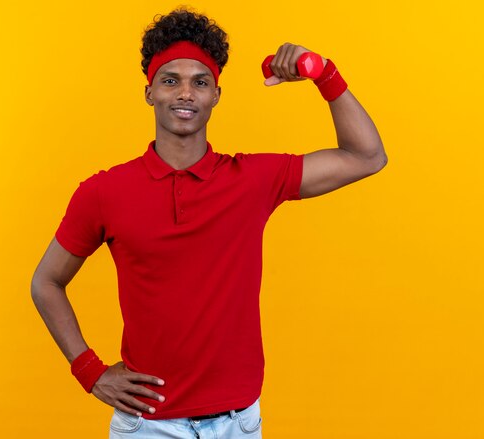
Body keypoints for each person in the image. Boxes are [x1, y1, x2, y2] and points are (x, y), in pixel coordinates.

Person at [31, 7, 386, 439]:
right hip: (148, 427)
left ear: (216, 95)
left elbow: (366, 156)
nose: (185, 93)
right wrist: (89, 371)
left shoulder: (252, 179)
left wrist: (324, 74)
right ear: (149, 93)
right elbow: (46, 281)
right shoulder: (103, 192)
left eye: (199, 82)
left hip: (239, 422)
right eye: (170, 80)